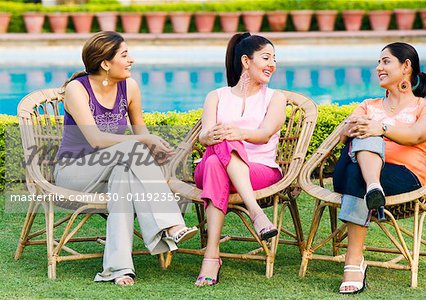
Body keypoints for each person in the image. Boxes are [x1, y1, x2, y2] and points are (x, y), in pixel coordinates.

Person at [53, 31, 197, 286]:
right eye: (125, 55)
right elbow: (96, 139)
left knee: (124, 179)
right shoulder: (78, 89)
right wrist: (144, 141)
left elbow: (141, 136)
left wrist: (159, 152)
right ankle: (171, 225)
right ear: (105, 63)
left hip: (113, 171)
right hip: (74, 172)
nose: (132, 60)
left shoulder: (130, 87)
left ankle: (118, 269)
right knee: (133, 151)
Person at [333, 42, 426, 294]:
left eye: (385, 62)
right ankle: (373, 186)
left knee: (358, 167)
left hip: (402, 176)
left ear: (406, 67)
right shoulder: (367, 105)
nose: (378, 67)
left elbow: (417, 135)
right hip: (355, 172)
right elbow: (342, 137)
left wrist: (380, 128)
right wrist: (351, 128)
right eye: (378, 62)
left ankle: (354, 261)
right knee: (363, 136)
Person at [193, 32, 286, 286]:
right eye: (266, 58)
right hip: (216, 170)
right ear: (246, 61)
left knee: (215, 160)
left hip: (260, 171)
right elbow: (203, 136)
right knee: (219, 148)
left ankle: (211, 256)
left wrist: (237, 133)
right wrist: (213, 135)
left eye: (274, 59)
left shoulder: (275, 98)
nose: (272, 64)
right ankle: (256, 212)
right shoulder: (217, 96)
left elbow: (266, 134)